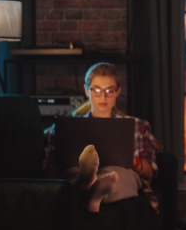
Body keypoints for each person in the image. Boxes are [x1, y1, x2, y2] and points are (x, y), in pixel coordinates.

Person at [44, 62, 161, 213]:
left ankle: (86, 188)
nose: (103, 96)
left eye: (109, 91)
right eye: (97, 90)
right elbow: (49, 169)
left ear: (118, 91)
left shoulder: (137, 125)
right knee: (72, 173)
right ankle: (88, 187)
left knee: (116, 175)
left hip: (119, 172)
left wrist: (133, 162)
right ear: (87, 90)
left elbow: (150, 173)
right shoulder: (68, 125)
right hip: (75, 171)